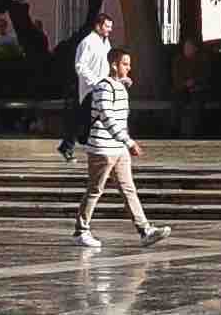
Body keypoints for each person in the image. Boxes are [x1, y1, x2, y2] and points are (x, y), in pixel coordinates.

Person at [67, 23, 157, 249]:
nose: (128, 68)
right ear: (114, 65)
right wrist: (129, 141)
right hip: (102, 148)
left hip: (118, 149)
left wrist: (125, 144)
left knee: (128, 189)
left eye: (129, 64)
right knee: (95, 189)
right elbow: (107, 117)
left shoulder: (119, 87)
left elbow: (121, 118)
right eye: (125, 64)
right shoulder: (102, 88)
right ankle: (81, 230)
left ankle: (144, 229)